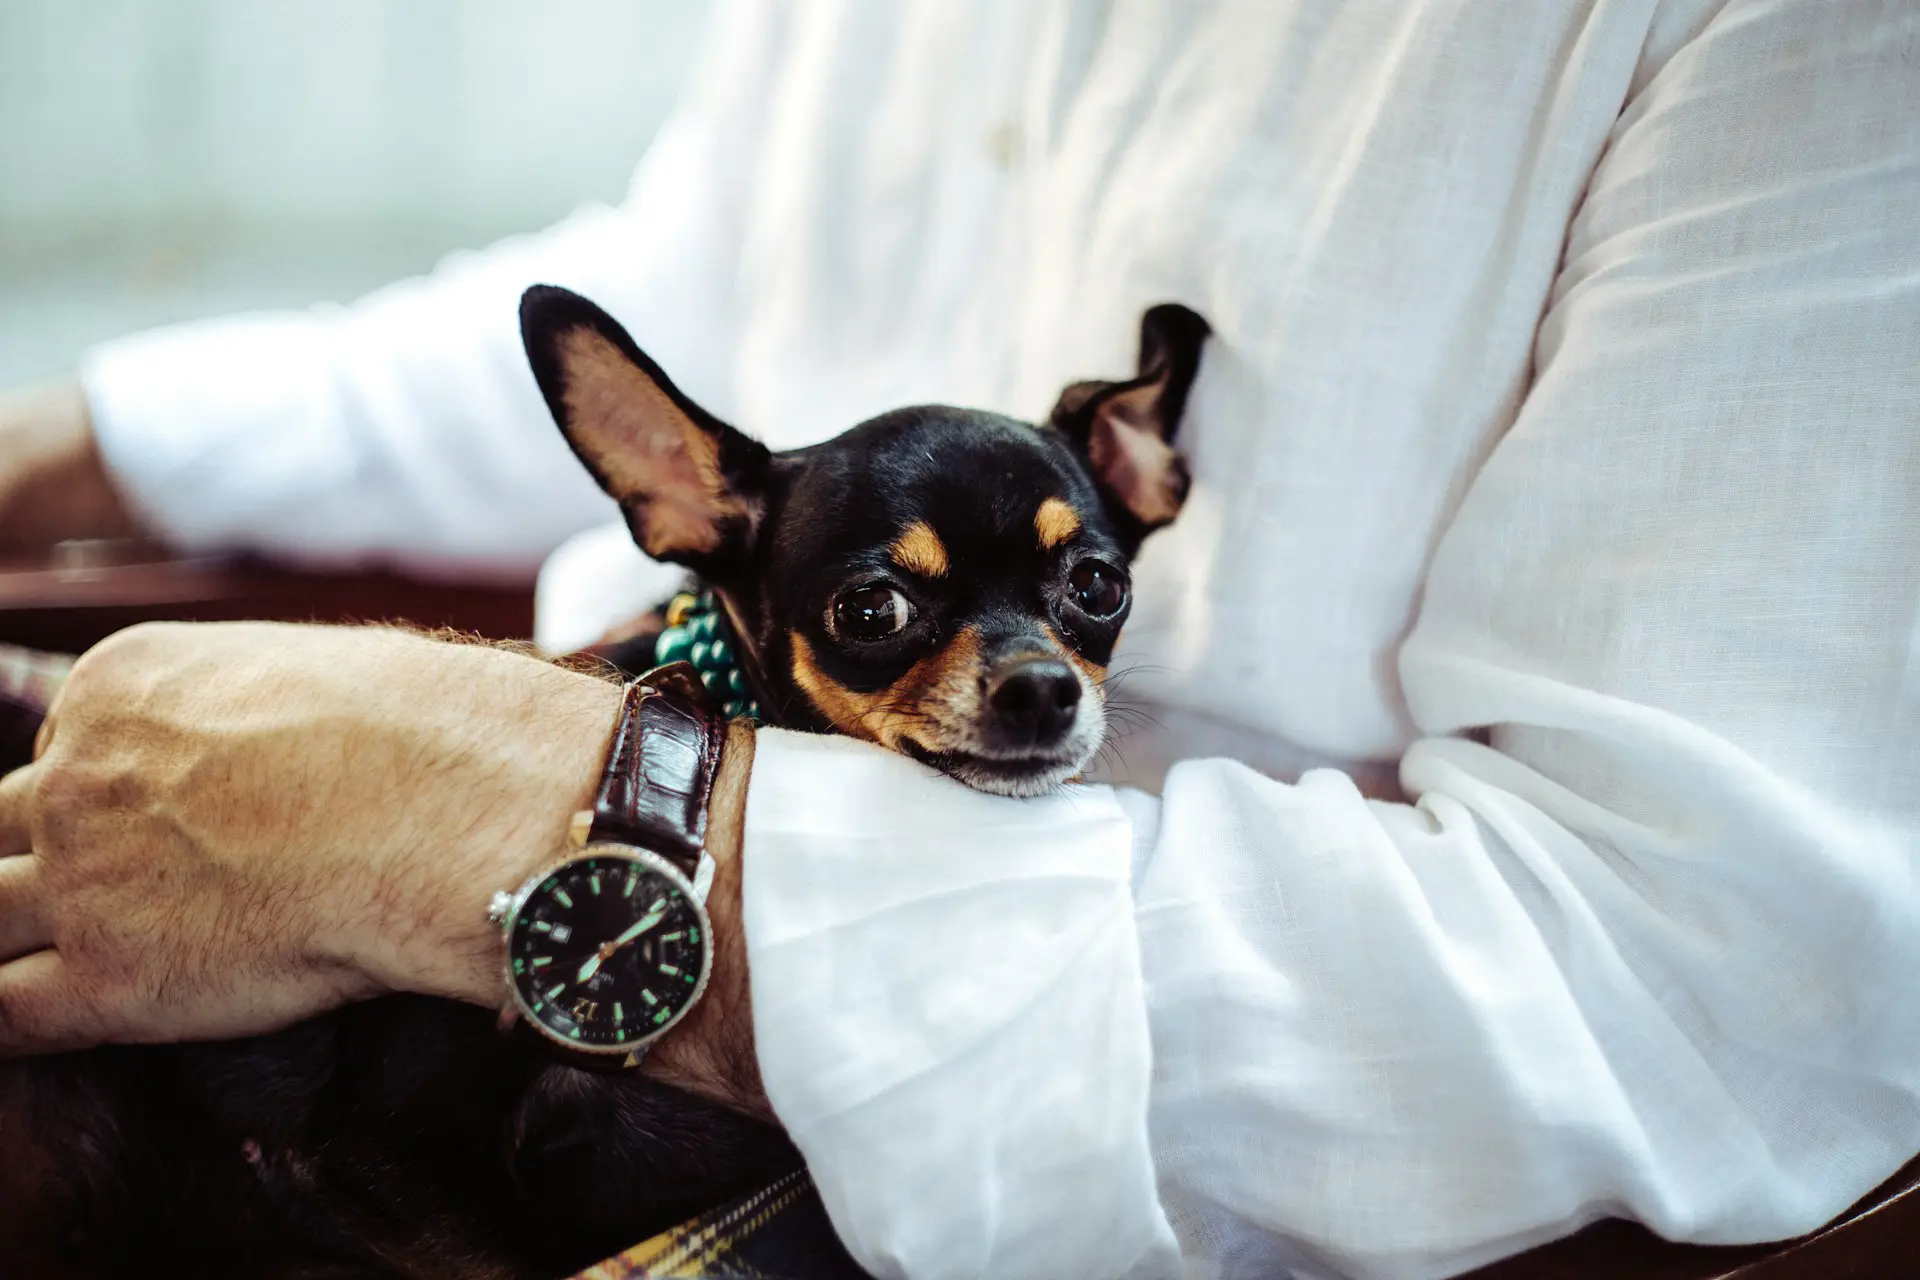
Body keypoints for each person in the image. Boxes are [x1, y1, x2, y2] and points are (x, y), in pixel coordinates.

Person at [2, 2, 1916, 1277]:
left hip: (1005, 1173)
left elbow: (1712, 979)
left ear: (1128, 495)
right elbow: (713, 272)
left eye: (1080, 601)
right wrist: (87, 440)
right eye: (893, 611)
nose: (1034, 666)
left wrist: (517, 812)